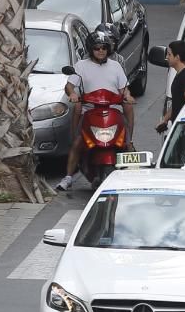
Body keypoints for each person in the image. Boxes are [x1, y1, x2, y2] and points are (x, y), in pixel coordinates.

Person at [56, 24, 134, 191]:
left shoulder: (116, 66)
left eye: (104, 48)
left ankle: (132, 152)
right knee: (78, 142)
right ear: (91, 49)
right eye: (97, 48)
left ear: (109, 49)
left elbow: (123, 88)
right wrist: (73, 94)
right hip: (90, 110)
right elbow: (70, 86)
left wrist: (127, 96)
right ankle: (68, 176)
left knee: (126, 141)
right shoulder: (81, 66)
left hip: (113, 109)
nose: (101, 51)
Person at [155, 40, 185, 134]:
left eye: (169, 54)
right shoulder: (179, 74)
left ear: (177, 57)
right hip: (179, 128)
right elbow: (177, 102)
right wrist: (165, 120)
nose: (167, 57)